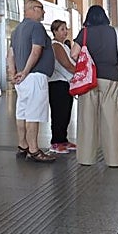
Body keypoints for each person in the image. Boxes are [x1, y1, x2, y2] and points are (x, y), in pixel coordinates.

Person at [71, 6, 118, 168]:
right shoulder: (115, 32)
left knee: (87, 118)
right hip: (111, 77)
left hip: (89, 79)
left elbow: (74, 54)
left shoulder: (85, 32)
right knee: (112, 118)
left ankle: (86, 158)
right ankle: (114, 159)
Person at [7, 0, 54, 162]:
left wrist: (14, 73)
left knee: (22, 112)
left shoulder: (16, 30)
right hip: (34, 76)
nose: (43, 12)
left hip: (22, 79)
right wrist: (26, 71)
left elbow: (10, 54)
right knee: (34, 114)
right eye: (41, 9)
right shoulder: (36, 27)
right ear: (33, 9)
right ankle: (34, 150)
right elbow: (36, 51)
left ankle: (23, 145)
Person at [47, 20, 77, 154]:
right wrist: (80, 74)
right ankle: (55, 142)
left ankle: (63, 139)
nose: (65, 31)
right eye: (62, 29)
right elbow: (66, 64)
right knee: (59, 113)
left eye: (66, 29)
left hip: (66, 83)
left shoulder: (64, 45)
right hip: (57, 83)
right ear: (54, 31)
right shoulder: (55, 45)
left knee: (66, 112)